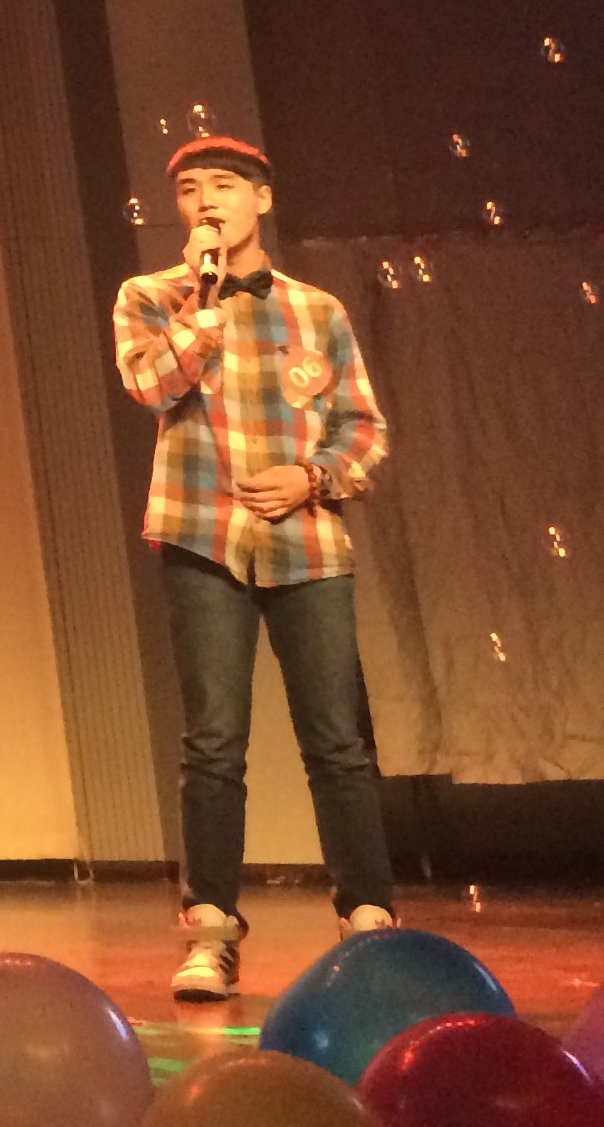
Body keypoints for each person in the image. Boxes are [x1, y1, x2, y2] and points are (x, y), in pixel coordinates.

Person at [112, 133, 394, 1000]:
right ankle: (211, 934)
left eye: (225, 185)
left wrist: (312, 476)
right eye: (190, 189)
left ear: (261, 199)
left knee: (337, 740)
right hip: (202, 534)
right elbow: (150, 388)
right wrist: (201, 311)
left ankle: (368, 920)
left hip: (307, 541)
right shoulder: (151, 297)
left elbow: (363, 429)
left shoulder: (318, 311)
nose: (207, 201)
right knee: (213, 742)